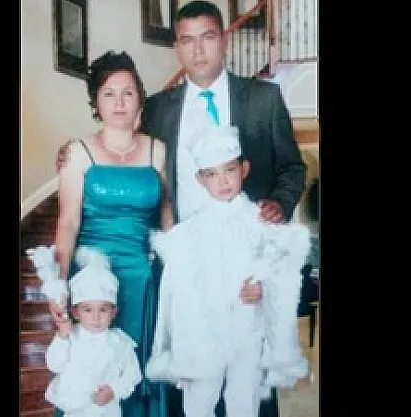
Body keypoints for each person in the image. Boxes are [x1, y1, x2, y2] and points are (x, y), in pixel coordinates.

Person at [57, 2, 306, 415]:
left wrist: (279, 204)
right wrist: (72, 156)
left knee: (247, 380)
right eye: (187, 41)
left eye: (207, 37)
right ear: (177, 47)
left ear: (223, 40)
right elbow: (124, 152)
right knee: (191, 384)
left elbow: (292, 167)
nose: (198, 50)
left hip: (243, 267)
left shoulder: (264, 99)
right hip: (185, 266)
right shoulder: (157, 108)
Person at [144, 126, 310, 417]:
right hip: (203, 333)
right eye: (211, 174)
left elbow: (282, 272)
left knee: (244, 399)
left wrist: (264, 288)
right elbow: (175, 291)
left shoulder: (261, 222)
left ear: (244, 169)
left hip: (247, 330)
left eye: (229, 170)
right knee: (199, 401)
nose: (222, 181)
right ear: (200, 179)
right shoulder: (190, 232)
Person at [48, 50, 172, 417]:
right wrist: (59, 283)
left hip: (142, 280)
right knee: (90, 373)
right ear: (96, 103)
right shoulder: (77, 153)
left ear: (140, 100)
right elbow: (67, 223)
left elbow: (167, 220)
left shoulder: (157, 151)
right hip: (90, 279)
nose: (119, 102)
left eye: (128, 92)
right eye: (109, 93)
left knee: (133, 368)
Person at [44, 247, 142, 417]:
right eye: (88, 310)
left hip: (108, 410)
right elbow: (54, 364)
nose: (96, 317)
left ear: (114, 312)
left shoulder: (121, 342)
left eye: (103, 309)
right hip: (76, 410)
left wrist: (114, 390)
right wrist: (62, 337)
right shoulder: (69, 336)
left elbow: (133, 374)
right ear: (76, 312)